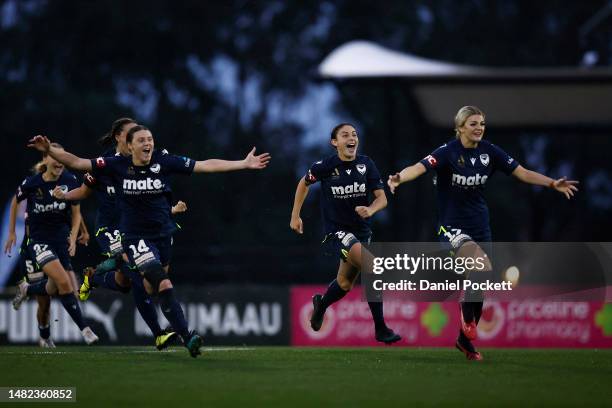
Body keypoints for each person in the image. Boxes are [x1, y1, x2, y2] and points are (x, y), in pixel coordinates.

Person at [28, 126, 270, 357]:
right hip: (135, 239)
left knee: (149, 287)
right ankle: (187, 336)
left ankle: (97, 277)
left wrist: (243, 163)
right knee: (162, 283)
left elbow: (205, 165)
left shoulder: (163, 161)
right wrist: (49, 149)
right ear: (130, 147)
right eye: (142, 140)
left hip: (163, 235)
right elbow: (78, 162)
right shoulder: (116, 165)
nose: (148, 144)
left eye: (150, 139)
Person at [388, 105, 579, 360]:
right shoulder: (447, 152)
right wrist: (399, 178)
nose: (479, 128)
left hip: (480, 226)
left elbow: (522, 173)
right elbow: (420, 167)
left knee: (482, 279)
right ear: (460, 128)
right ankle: (466, 315)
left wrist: (552, 183)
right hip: (452, 227)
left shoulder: (490, 152)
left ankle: (464, 341)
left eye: (482, 123)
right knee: (478, 266)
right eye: (473, 123)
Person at [53, 118, 179, 350]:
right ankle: (159, 333)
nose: (138, 139)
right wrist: (64, 196)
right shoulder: (107, 163)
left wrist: (169, 209)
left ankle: (94, 277)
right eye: (132, 134)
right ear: (121, 138)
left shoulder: (146, 160)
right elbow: (83, 190)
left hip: (135, 228)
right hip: (110, 228)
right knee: (135, 273)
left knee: (124, 283)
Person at [290, 123, 401, 344]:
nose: (352, 138)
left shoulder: (366, 164)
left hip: (362, 232)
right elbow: (304, 183)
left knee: (344, 284)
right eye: (345, 135)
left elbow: (382, 198)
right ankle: (380, 328)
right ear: (335, 142)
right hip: (337, 232)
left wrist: (370, 209)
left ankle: (321, 304)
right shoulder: (325, 166)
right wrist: (295, 216)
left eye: (354, 134)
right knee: (373, 265)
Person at [10, 143, 99, 345]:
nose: (60, 161)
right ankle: (49, 335)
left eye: (62, 156)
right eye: (54, 156)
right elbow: (16, 200)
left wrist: (79, 234)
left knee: (59, 287)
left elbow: (75, 211)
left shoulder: (70, 180)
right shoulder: (32, 183)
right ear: (46, 158)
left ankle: (27, 289)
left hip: (60, 242)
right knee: (46, 302)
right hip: (36, 243)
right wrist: (11, 233)